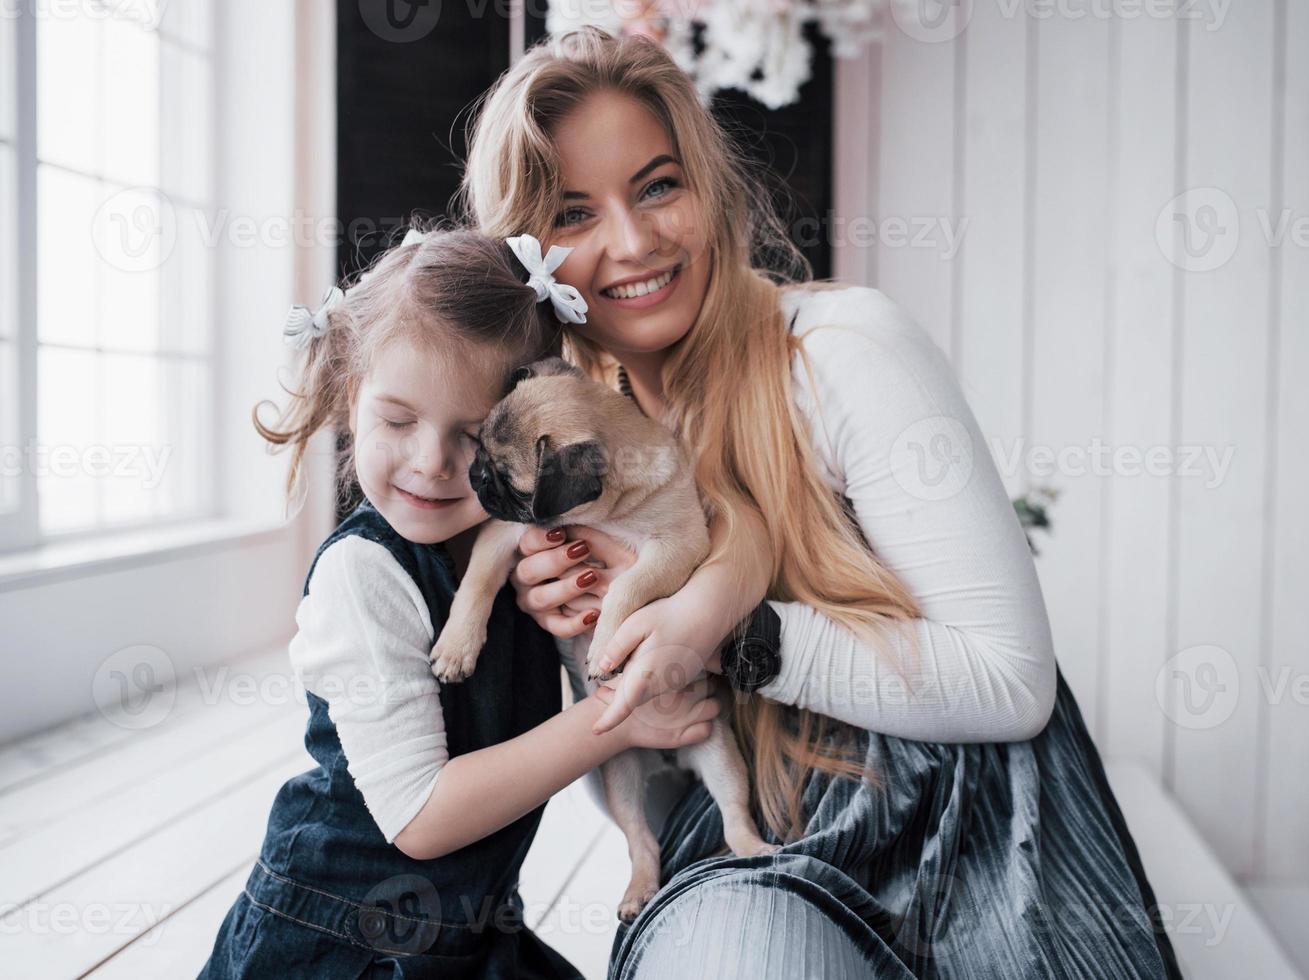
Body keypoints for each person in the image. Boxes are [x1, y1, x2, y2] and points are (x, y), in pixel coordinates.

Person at [458, 27, 1183, 978]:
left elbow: (1012, 681)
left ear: (709, 187)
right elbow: (641, 751)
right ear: (529, 248)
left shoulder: (840, 352)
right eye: (575, 211)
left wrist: (722, 628)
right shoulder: (558, 438)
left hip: (958, 837)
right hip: (747, 844)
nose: (632, 242)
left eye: (658, 185)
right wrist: (588, 644)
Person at [198, 228, 719, 978]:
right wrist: (617, 719)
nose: (432, 462)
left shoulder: (526, 545)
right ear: (353, 397)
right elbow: (420, 817)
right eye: (398, 420)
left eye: (473, 435)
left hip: (469, 934)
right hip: (344, 945)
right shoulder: (363, 576)